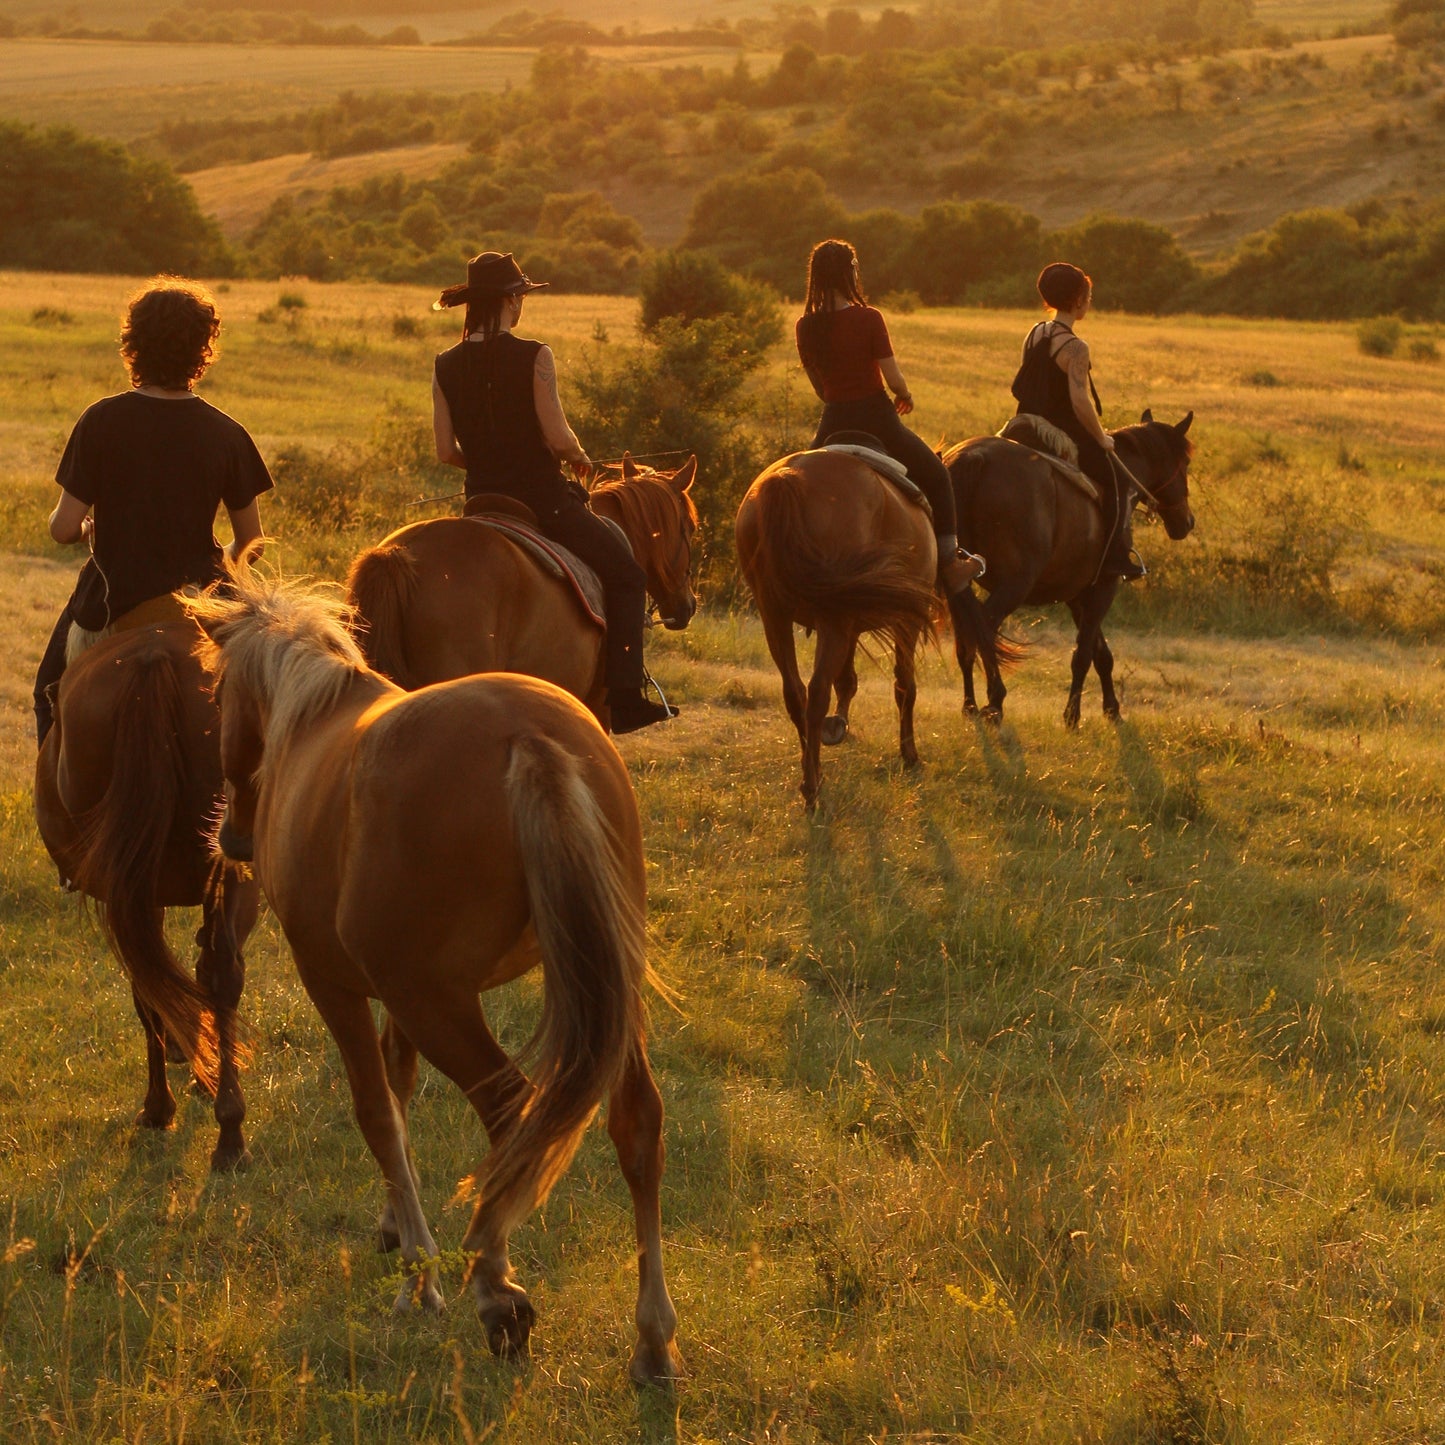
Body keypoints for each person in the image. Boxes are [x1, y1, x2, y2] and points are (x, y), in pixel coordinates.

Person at [431, 250, 673, 734]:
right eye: (519, 295)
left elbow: (444, 450)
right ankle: (626, 696)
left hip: (480, 502)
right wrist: (580, 458)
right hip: (542, 502)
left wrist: (484, 462)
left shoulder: (445, 364)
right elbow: (558, 437)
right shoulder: (535, 355)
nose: (521, 304)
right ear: (508, 301)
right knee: (626, 575)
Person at [33, 278, 272, 746]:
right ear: (203, 348)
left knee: (48, 693)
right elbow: (253, 544)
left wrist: (85, 528)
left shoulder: (100, 419)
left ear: (133, 344)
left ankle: (62, 818)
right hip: (198, 604)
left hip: (109, 605)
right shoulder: (227, 432)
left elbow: (62, 529)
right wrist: (220, 559)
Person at [794, 239, 984, 595]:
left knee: (796, 485)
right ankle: (950, 564)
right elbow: (893, 377)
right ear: (851, 272)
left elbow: (819, 387)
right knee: (938, 476)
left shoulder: (806, 326)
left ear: (815, 277)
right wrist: (904, 395)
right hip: (877, 419)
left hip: (833, 421)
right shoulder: (869, 318)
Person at [1011, 261, 1145, 581]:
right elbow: (1080, 401)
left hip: (1024, 421)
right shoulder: (1075, 346)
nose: (1090, 301)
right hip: (1061, 428)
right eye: (1088, 295)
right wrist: (1101, 438)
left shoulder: (1035, 332)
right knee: (1118, 482)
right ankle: (1115, 556)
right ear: (1078, 300)